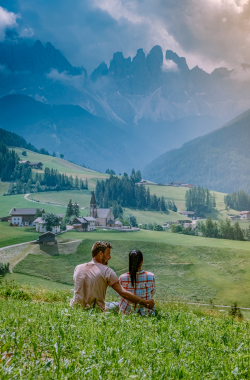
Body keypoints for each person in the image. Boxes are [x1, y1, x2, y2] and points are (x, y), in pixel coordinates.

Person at [70, 241, 155, 312]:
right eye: (108, 254)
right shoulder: (107, 271)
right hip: (96, 309)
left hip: (75, 308)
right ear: (100, 254)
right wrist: (145, 302)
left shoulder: (78, 268)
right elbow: (124, 294)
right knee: (117, 305)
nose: (110, 257)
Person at [119, 250, 155, 316]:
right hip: (146, 313)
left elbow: (120, 294)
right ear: (141, 261)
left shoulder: (122, 278)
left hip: (127, 314)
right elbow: (152, 292)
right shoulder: (150, 276)